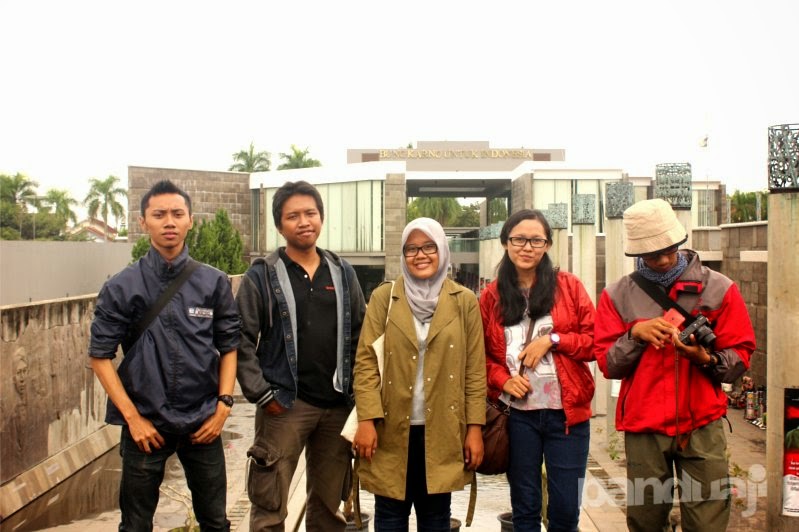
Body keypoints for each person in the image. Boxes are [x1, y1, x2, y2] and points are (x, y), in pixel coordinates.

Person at [594, 198, 756, 532]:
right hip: (644, 426)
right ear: (638, 254)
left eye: (671, 248)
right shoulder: (616, 295)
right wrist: (635, 335)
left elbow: (740, 355)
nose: (665, 259)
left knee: (708, 520)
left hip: (702, 422)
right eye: (654, 254)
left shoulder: (720, 288)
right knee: (646, 520)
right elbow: (608, 365)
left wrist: (706, 359)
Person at [89, 180, 240, 531]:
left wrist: (223, 406)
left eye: (177, 214)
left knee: (215, 521)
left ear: (190, 221)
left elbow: (230, 346)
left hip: (203, 421)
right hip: (146, 424)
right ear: (144, 222)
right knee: (135, 524)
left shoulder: (213, 282)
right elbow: (100, 356)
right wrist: (133, 419)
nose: (168, 221)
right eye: (159, 215)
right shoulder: (121, 286)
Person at [236, 180, 366, 531]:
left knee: (328, 507)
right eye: (293, 216)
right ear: (280, 225)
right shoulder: (261, 275)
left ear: (321, 218)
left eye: (310, 213)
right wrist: (263, 394)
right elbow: (240, 339)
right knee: (270, 505)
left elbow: (361, 334)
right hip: (284, 406)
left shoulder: (341, 272)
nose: (304, 221)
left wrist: (358, 397)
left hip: (336, 407)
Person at [352, 217, 486, 531]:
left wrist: (475, 429)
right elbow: (366, 364)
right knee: (389, 517)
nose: (420, 255)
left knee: (436, 518)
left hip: (442, 429)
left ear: (442, 249)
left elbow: (474, 371)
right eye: (411, 248)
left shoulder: (464, 302)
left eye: (428, 246)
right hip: (389, 430)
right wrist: (367, 420)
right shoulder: (384, 299)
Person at [480, 209, 597, 532]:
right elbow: (480, 358)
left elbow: (595, 341)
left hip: (567, 417)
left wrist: (553, 340)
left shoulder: (569, 287)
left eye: (536, 240)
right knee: (525, 508)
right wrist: (503, 380)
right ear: (505, 242)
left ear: (547, 244)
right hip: (517, 417)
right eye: (519, 239)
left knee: (564, 509)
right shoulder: (491, 296)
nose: (526, 247)